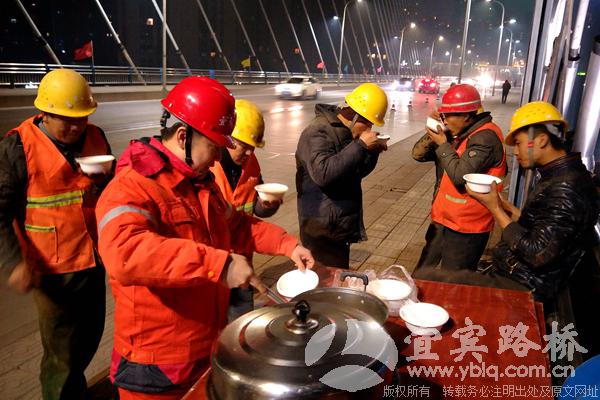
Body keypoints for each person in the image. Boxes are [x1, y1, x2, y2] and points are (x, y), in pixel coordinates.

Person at [96, 76, 314, 400]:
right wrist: (219, 264)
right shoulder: (134, 186)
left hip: (203, 348)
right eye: (213, 146)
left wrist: (288, 245)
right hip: (156, 365)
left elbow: (238, 226)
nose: (216, 158)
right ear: (183, 136)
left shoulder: (200, 184)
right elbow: (124, 253)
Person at [415, 101, 599, 303]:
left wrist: (496, 209)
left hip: (526, 286)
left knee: (441, 285)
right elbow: (539, 226)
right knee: (433, 279)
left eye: (519, 143)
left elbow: (537, 253)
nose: (516, 152)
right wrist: (505, 206)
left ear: (542, 140)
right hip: (516, 273)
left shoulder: (565, 187)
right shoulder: (558, 176)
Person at [0, 69, 112, 400]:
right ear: (45, 113)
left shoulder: (96, 136)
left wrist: (106, 180)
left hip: (93, 261)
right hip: (52, 272)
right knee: (61, 355)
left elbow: (110, 190)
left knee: (89, 337)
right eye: (67, 119)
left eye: (82, 118)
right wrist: (13, 263)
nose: (77, 127)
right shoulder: (17, 147)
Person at [412, 84, 506, 272]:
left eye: (448, 116)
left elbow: (459, 176)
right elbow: (418, 154)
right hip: (444, 219)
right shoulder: (458, 134)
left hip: (467, 228)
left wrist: (443, 144)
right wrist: (435, 131)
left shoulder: (485, 138)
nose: (445, 120)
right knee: (423, 274)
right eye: (443, 115)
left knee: (452, 279)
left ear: (467, 116)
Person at [295, 83, 389, 268]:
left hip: (339, 224)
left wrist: (372, 152)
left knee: (338, 274)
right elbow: (323, 174)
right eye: (367, 123)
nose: (369, 128)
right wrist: (360, 146)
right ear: (355, 116)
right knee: (324, 278)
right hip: (321, 227)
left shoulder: (346, 133)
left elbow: (355, 173)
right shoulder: (317, 131)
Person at [209, 99, 281, 320]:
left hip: (242, 264)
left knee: (241, 325)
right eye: (245, 145)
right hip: (213, 267)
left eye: (253, 147)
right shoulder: (207, 166)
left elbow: (255, 209)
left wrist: (267, 205)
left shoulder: (251, 163)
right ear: (228, 139)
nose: (250, 153)